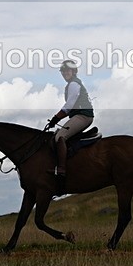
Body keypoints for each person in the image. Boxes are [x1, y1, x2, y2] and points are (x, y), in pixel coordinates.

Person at [46, 60, 94, 195]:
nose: (65, 73)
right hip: (77, 116)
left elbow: (69, 105)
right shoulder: (70, 84)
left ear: (73, 72)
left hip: (83, 116)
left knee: (60, 137)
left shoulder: (73, 84)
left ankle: (61, 169)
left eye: (68, 71)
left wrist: (56, 118)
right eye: (63, 71)